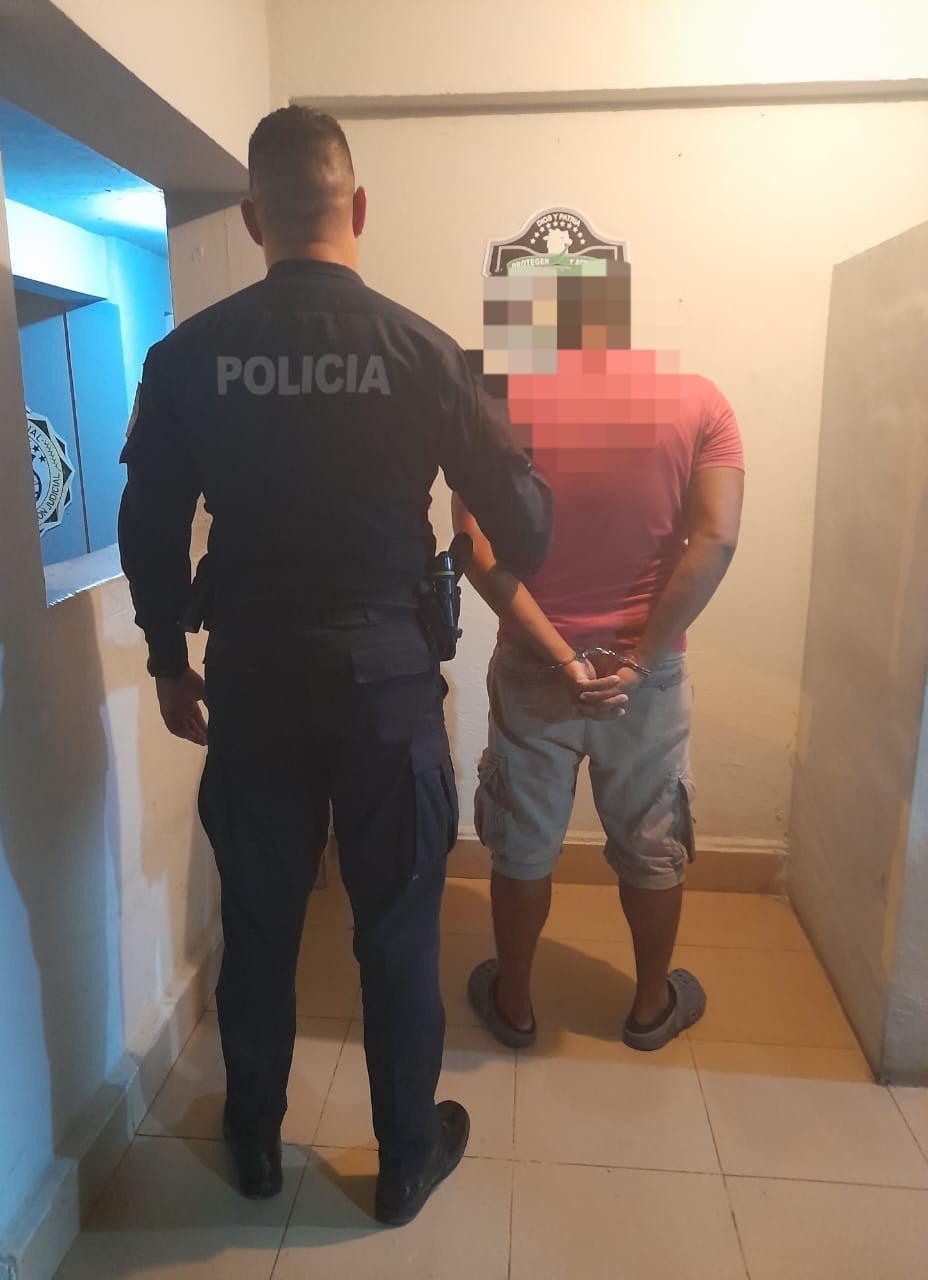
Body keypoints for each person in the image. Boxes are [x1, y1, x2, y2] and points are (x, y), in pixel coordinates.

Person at [118, 106, 552, 1225]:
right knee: (396, 926)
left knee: (260, 922)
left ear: (254, 218)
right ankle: (402, 1160)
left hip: (253, 676)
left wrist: (168, 660)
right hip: (388, 680)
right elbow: (529, 528)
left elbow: (148, 525)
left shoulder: (186, 357)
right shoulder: (426, 353)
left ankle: (256, 1142)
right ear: (357, 207)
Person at [454, 244, 743, 1053]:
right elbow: (717, 539)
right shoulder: (699, 401)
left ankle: (514, 1006)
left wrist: (559, 656)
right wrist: (639, 658)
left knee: (523, 843)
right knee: (651, 842)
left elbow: (473, 548)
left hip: (534, 666)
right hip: (643, 676)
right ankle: (650, 1008)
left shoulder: (492, 407)